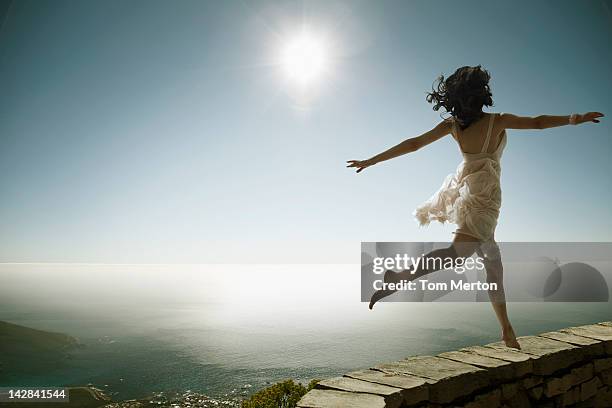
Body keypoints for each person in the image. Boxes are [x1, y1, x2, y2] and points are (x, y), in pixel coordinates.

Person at [347, 65, 604, 349]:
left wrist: (372, 160)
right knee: (461, 256)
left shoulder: (453, 126)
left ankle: (507, 332)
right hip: (485, 194)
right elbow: (538, 122)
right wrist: (574, 118)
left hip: (470, 188)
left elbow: (414, 144)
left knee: (492, 264)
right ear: (481, 93)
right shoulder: (498, 120)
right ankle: (399, 277)